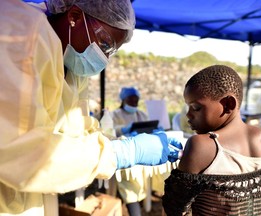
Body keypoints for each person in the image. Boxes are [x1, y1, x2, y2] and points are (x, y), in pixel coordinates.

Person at [0, 0, 182, 215]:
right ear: (75, 16)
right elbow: (19, 151)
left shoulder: (70, 62)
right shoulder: (19, 32)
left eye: (112, 52)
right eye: (105, 44)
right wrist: (120, 153)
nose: (104, 58)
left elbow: (77, 130)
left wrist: (118, 144)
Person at [162, 65, 261, 215]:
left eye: (195, 108)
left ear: (228, 104)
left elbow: (175, 209)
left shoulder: (202, 146)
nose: (188, 114)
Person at [111, 86, 149, 216]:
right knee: (129, 179)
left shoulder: (142, 114)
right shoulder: (114, 115)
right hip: (124, 152)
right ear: (123, 100)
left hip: (143, 150)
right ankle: (133, 207)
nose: (134, 103)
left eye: (136, 100)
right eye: (131, 100)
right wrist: (124, 129)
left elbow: (149, 128)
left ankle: (142, 200)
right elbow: (109, 130)